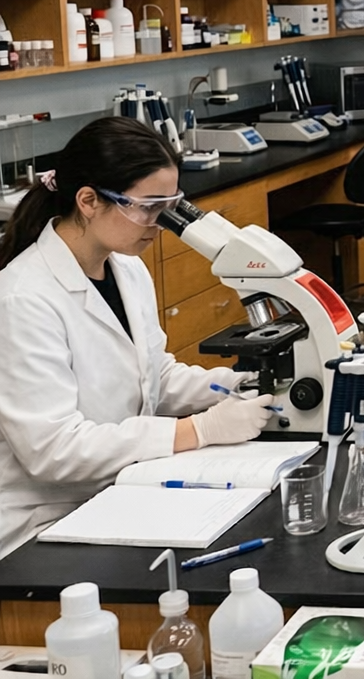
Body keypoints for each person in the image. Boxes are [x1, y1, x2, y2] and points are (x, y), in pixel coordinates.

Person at [0, 118, 273, 559]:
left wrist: (235, 385)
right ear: (88, 201)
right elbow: (54, 449)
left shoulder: (126, 267)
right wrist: (197, 430)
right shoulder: (22, 299)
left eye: (169, 205)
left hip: (120, 488)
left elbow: (152, 375)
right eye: (148, 207)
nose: (159, 223)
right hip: (42, 520)